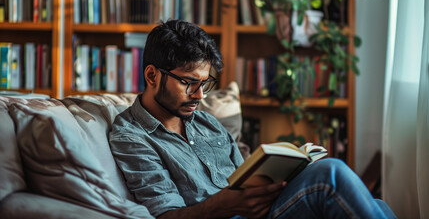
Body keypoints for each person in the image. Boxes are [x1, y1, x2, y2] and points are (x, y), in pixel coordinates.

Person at [109, 19, 396, 219]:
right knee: (330, 176)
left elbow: (242, 176)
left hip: (260, 210)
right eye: (188, 83)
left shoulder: (207, 123)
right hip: (225, 216)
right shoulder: (130, 135)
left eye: (205, 83)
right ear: (151, 75)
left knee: (374, 203)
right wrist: (221, 205)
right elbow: (165, 214)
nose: (199, 95)